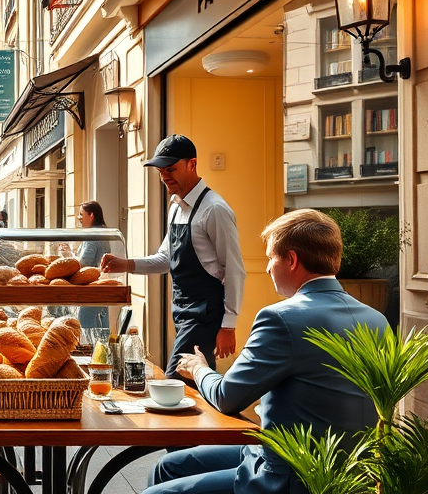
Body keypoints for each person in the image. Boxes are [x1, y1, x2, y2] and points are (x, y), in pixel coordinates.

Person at [144, 209, 389, 494]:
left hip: (289, 474)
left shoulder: (281, 319)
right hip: (349, 472)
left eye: (271, 257)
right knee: (169, 466)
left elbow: (226, 397)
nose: (268, 268)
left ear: (292, 260)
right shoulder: (377, 320)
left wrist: (199, 368)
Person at [101, 134, 245, 378]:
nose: (165, 176)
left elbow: (234, 269)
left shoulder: (214, 209)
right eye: (161, 171)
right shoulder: (176, 206)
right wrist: (125, 264)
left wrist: (228, 326)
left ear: (192, 164)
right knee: (193, 382)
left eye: (170, 169)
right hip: (181, 310)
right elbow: (165, 259)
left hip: (204, 313)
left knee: (174, 379)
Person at [61, 201, 112, 334]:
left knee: (86, 325)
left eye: (81, 214)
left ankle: (92, 348)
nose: (79, 218)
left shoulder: (93, 235)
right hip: (102, 288)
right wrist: (70, 255)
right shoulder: (101, 232)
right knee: (102, 329)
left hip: (91, 290)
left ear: (91, 215)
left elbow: (84, 263)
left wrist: (68, 257)